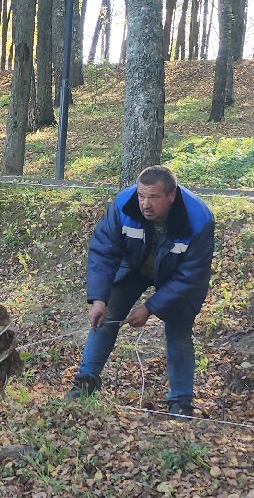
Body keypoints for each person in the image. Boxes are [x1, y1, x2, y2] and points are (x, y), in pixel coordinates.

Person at [67, 165, 215, 419]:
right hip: (134, 265)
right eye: (141, 196)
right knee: (107, 315)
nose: (145, 204)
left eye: (154, 197)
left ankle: (181, 401)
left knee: (179, 332)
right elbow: (104, 251)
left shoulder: (199, 220)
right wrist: (99, 299)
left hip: (177, 276)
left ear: (171, 195)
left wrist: (149, 308)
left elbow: (189, 277)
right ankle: (85, 380)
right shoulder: (124, 205)